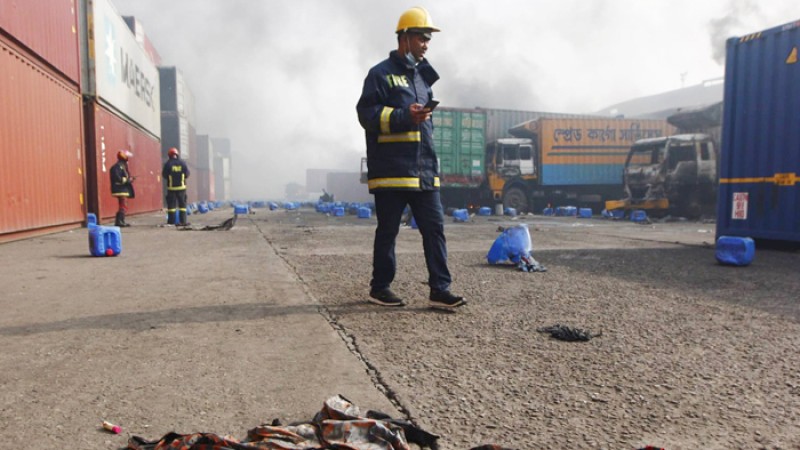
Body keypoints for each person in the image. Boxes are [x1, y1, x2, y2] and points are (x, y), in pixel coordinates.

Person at [356, 6, 465, 309]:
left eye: (428, 38)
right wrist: (404, 115)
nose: (426, 44)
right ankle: (380, 288)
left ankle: (440, 290)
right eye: (421, 37)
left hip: (424, 172)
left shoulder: (421, 78)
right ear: (404, 37)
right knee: (388, 232)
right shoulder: (380, 75)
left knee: (435, 229)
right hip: (392, 172)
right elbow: (366, 114)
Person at [162, 147, 191, 226]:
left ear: (169, 155)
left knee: (171, 206)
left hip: (171, 189)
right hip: (182, 188)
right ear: (177, 154)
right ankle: (183, 221)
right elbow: (187, 174)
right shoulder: (183, 163)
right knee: (182, 206)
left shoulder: (168, 164)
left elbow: (164, 175)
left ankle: (171, 222)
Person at [110, 150, 134, 227]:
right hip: (120, 189)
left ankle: (121, 221)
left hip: (122, 189)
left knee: (123, 206)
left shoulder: (122, 166)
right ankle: (119, 221)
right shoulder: (117, 167)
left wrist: (130, 179)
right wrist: (128, 180)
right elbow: (118, 178)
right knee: (123, 206)